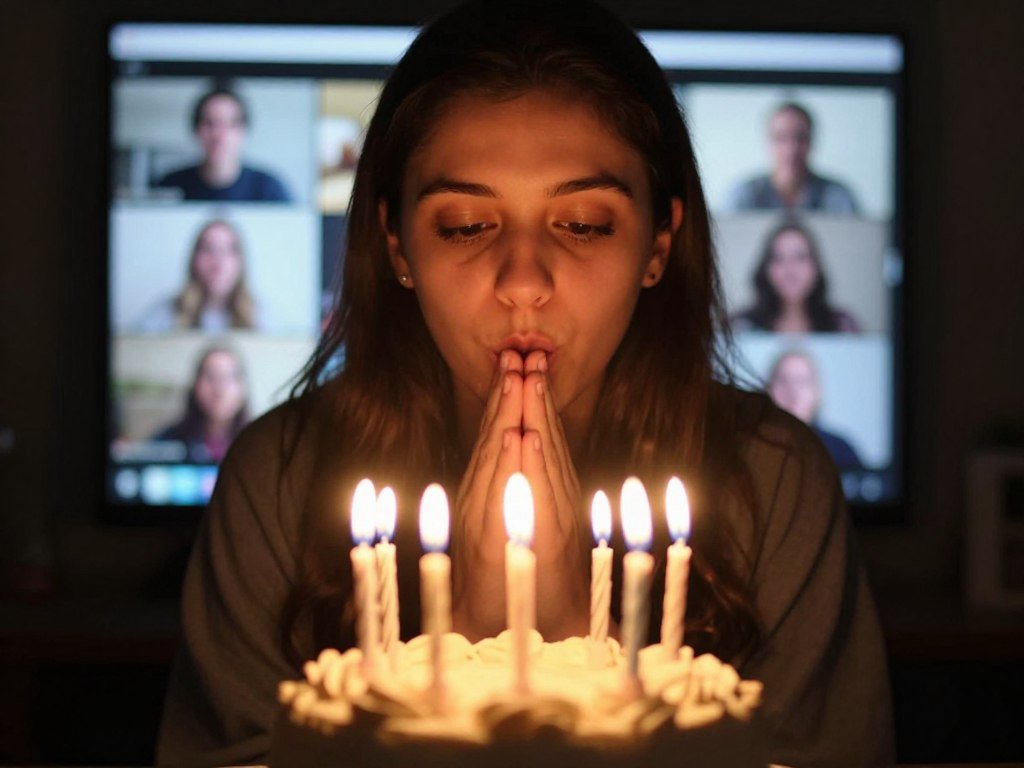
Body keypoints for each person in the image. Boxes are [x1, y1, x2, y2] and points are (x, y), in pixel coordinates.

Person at [157, 3, 894, 766]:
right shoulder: (280, 480)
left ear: (659, 244)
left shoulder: (771, 482)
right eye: (466, 226)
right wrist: (481, 631)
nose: (523, 283)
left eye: (582, 224)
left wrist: (567, 638)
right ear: (397, 244)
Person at [156, 87, 291, 202]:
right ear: (196, 130)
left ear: (243, 131)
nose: (219, 135)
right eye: (209, 123)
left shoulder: (269, 190)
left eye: (230, 124)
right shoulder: (169, 186)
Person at [730, 219, 861, 333]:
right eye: (779, 258)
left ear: (815, 267)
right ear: (766, 268)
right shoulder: (741, 326)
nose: (790, 270)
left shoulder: (841, 327)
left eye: (800, 258)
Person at [727, 102, 859, 214]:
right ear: (767, 142)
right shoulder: (743, 196)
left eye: (800, 138)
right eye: (781, 138)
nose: (791, 149)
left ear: (812, 141)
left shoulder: (838, 197)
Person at [135, 219, 260, 332]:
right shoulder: (165, 313)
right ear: (194, 260)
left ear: (241, 262)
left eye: (228, 250)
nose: (218, 261)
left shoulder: (260, 316)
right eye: (209, 249)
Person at [766, 350, 865, 472]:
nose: (792, 392)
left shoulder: (841, 451)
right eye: (783, 381)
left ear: (817, 392)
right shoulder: (749, 449)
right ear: (767, 390)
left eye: (801, 381)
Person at [151, 346, 250, 464]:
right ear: (195, 385)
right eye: (210, 377)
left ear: (242, 387)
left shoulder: (257, 440)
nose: (219, 390)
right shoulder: (169, 440)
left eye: (228, 378)